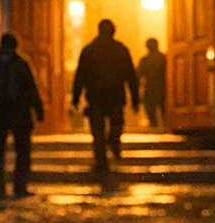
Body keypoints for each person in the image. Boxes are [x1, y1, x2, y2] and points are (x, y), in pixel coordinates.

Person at [71, 19, 139, 190]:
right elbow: (131, 75)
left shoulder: (89, 50)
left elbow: (81, 74)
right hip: (115, 95)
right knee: (116, 124)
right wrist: (135, 97)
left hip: (96, 96)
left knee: (97, 130)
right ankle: (113, 144)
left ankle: (101, 159)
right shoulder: (120, 50)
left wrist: (76, 96)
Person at [0, 33, 44, 198]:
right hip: (19, 113)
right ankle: (19, 186)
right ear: (15, 45)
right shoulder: (21, 63)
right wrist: (38, 109)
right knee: (22, 150)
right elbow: (30, 87)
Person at [138, 37, 167, 128]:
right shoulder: (164, 58)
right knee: (163, 105)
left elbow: (139, 75)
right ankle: (164, 122)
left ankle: (153, 122)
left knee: (150, 105)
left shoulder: (145, 60)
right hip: (162, 85)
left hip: (150, 85)